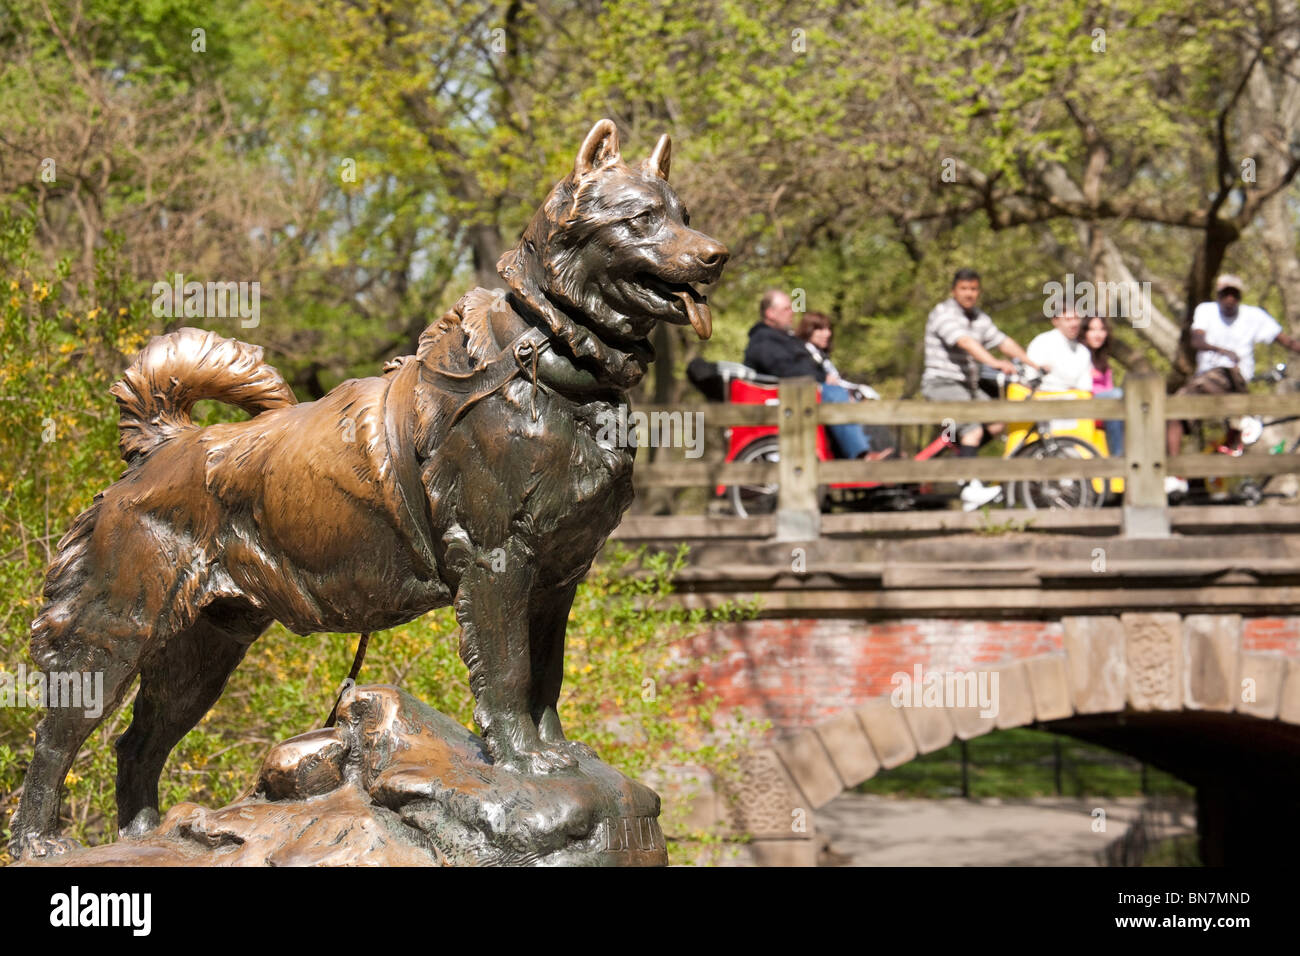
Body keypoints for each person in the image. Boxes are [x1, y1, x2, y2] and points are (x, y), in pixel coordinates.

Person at [1165, 274, 1300, 495]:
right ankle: (1175, 476)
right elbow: (1196, 340)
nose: (1229, 300)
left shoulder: (1254, 316)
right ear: (1217, 296)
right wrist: (1221, 350)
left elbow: (1286, 341)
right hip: (1203, 381)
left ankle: (1242, 430)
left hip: (1235, 380)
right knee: (1174, 411)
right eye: (1225, 294)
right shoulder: (1206, 311)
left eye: (1234, 295)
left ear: (1240, 297)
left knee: (1225, 372)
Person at [921, 268, 1042, 509]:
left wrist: (1034, 365)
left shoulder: (978, 317)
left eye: (973, 289)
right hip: (941, 383)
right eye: (964, 288)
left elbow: (1002, 341)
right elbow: (966, 342)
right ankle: (968, 486)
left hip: (967, 386)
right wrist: (995, 363)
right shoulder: (943, 313)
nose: (969, 294)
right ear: (954, 291)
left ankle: (962, 460)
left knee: (1000, 419)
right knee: (973, 429)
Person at [744, 291, 892, 459]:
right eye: (786, 309)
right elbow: (786, 370)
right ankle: (861, 455)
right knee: (835, 393)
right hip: (786, 397)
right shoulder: (764, 340)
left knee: (857, 395)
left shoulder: (784, 339)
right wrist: (821, 378)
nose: (792, 311)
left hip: (801, 392)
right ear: (770, 313)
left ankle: (883, 452)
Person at [797, 312, 893, 454]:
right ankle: (871, 453)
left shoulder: (821, 356)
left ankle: (888, 451)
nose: (827, 333)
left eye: (828, 329)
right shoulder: (804, 354)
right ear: (808, 330)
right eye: (821, 329)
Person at [1083, 314, 1124, 457]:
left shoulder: (1103, 361)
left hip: (1107, 408)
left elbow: (1109, 388)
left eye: (1101, 329)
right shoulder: (1079, 355)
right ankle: (1117, 455)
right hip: (1087, 406)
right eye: (1092, 330)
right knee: (1118, 396)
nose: (1098, 335)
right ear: (1084, 332)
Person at [1027, 307, 1092, 393]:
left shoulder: (1083, 352)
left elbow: (1085, 387)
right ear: (1055, 321)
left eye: (1076, 318)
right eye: (1068, 319)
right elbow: (1029, 378)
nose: (1074, 323)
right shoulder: (1042, 342)